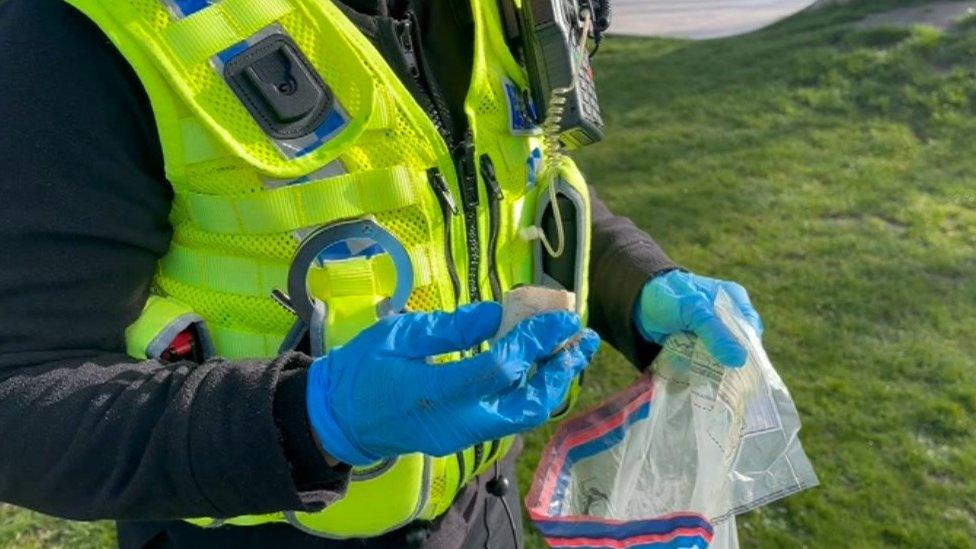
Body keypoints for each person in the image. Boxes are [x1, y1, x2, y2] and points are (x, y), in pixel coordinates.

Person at [0, 0, 763, 547]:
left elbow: (500, 180)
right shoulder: (84, 28)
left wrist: (642, 286)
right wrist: (312, 416)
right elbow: (20, 394)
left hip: (484, 510)